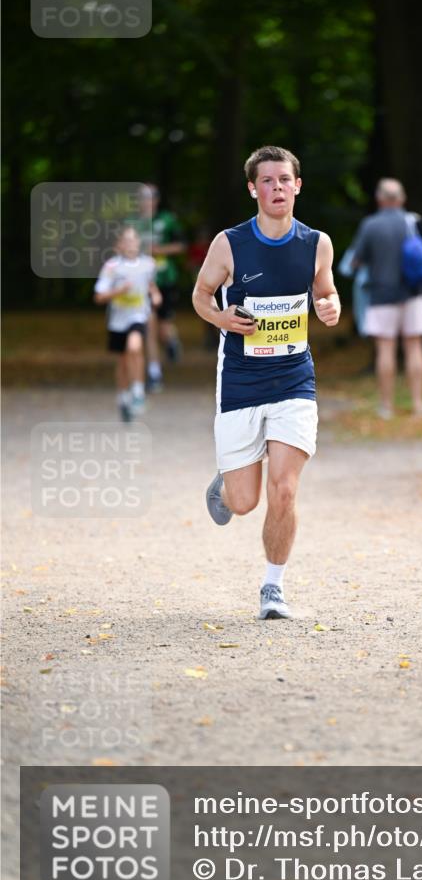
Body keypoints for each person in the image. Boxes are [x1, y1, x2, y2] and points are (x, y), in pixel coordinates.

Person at [192, 145, 340, 620]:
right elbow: (201, 294)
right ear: (253, 189)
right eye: (268, 181)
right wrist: (220, 319)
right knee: (244, 500)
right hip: (240, 380)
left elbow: (325, 290)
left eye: (285, 180)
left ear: (297, 185)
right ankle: (227, 484)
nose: (277, 188)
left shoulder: (316, 243)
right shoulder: (229, 244)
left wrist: (330, 305)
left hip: (294, 379)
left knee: (284, 489)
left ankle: (273, 588)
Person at [352, 178, 422, 418]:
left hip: (381, 294)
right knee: (415, 347)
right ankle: (419, 404)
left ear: (379, 199)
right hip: (414, 292)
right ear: (401, 199)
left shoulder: (370, 225)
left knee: (385, 349)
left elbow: (357, 260)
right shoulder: (414, 221)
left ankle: (386, 406)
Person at [94, 226, 161, 422]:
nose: (131, 244)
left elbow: (151, 285)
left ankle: (138, 391)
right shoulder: (111, 267)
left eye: (134, 240)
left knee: (135, 347)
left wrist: (155, 295)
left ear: (139, 243)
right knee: (123, 361)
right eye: (126, 241)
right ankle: (123, 397)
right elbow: (99, 297)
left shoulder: (148, 264)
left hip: (138, 315)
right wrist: (118, 291)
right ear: (119, 245)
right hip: (117, 320)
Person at [133, 184, 187, 392]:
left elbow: (181, 245)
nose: (146, 202)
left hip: (165, 278)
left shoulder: (167, 220)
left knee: (163, 328)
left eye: (150, 197)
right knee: (149, 326)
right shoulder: (133, 223)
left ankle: (171, 341)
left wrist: (159, 250)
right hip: (142, 281)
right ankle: (154, 373)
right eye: (142, 198)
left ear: (156, 200)